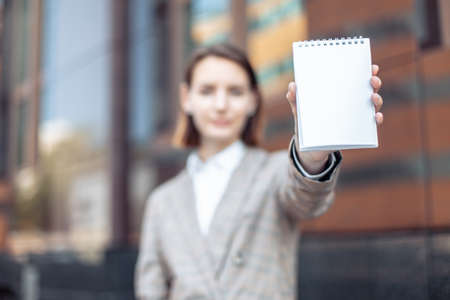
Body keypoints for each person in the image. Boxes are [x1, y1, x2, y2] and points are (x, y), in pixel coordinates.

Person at [135, 43, 383, 299]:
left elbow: (306, 197)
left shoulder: (275, 171)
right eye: (207, 91)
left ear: (253, 100)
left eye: (235, 92)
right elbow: (150, 289)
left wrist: (312, 153)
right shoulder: (162, 202)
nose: (221, 105)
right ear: (187, 98)